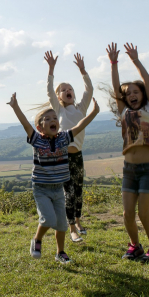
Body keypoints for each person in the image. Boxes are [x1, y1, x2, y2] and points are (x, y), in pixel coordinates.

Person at [7, 92, 99, 264]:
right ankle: (37, 240)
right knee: (48, 219)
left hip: (58, 188)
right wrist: (15, 106)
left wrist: (93, 112)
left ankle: (60, 253)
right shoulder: (36, 140)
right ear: (40, 127)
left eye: (54, 118)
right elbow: (25, 124)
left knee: (62, 225)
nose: (53, 120)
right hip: (41, 189)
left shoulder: (64, 138)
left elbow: (79, 126)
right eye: (47, 119)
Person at [105, 42, 149, 263]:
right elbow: (115, 89)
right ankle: (135, 246)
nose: (131, 95)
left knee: (144, 214)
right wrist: (113, 63)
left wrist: (135, 60)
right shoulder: (125, 112)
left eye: (135, 91)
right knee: (127, 214)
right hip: (129, 170)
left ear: (143, 94)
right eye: (128, 93)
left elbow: (148, 82)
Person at [43, 50, 94, 243]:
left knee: (78, 189)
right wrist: (51, 69)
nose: (67, 90)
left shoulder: (81, 108)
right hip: (62, 157)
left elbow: (89, 90)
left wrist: (83, 71)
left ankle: (78, 221)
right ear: (59, 96)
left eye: (70, 88)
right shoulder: (58, 110)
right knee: (69, 192)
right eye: (63, 89)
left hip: (77, 155)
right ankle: (71, 228)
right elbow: (49, 90)